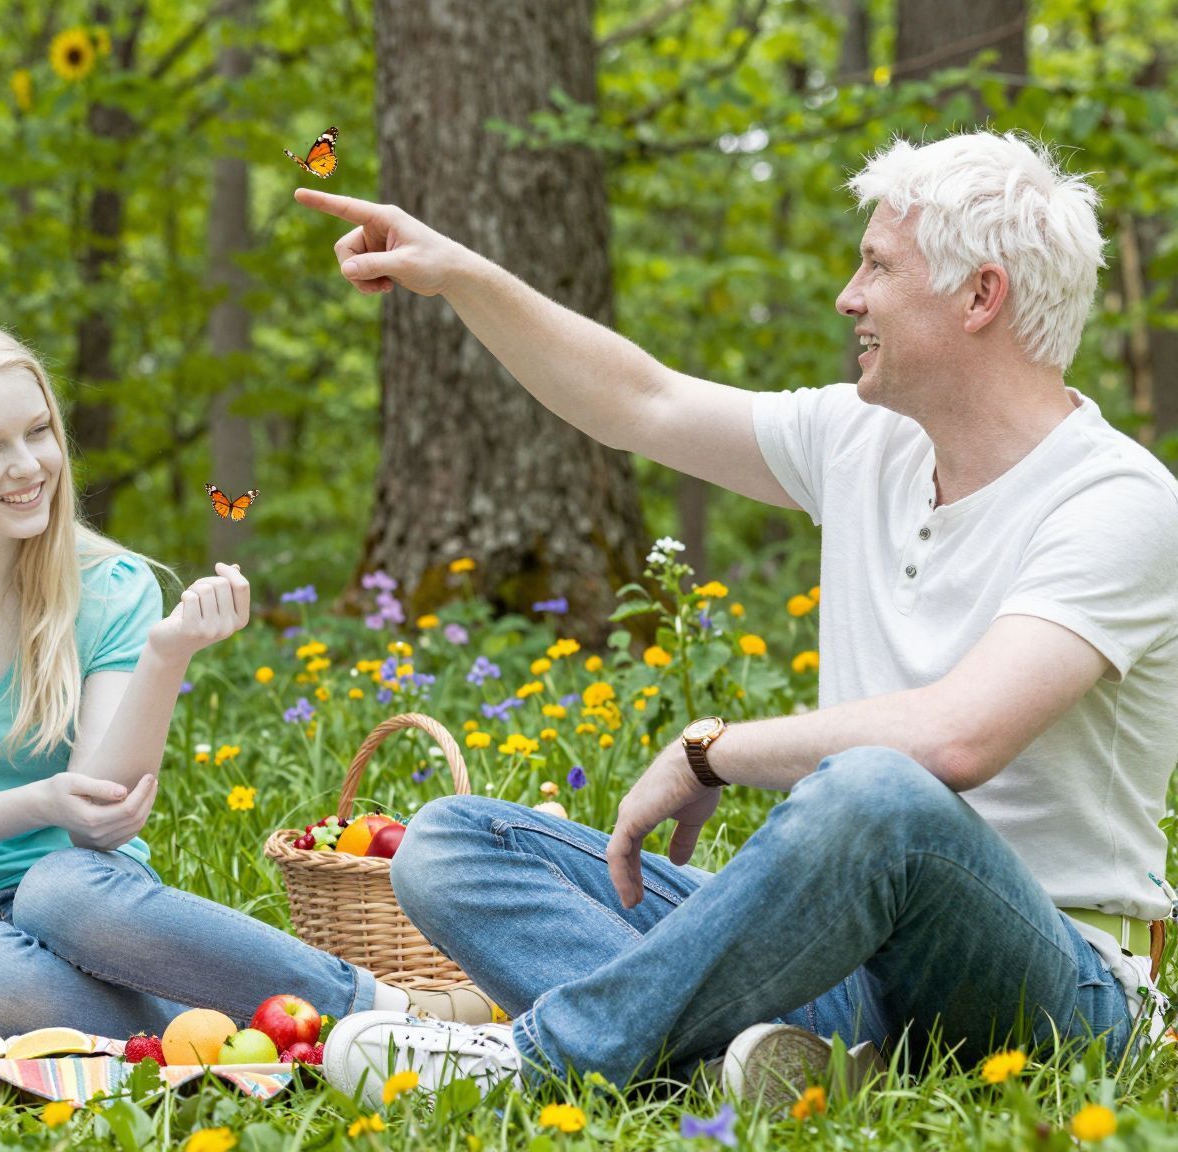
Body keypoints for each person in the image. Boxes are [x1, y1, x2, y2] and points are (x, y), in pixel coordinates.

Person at [299, 131, 1178, 1110]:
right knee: (451, 847)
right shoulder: (863, 438)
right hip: (849, 960)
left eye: (876, 266)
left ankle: (552, 1057)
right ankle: (785, 1061)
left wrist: (707, 750)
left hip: (1050, 987)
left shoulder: (1115, 502)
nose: (848, 296)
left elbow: (956, 737)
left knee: (876, 793)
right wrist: (459, 275)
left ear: (978, 296)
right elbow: (643, 400)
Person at [0, 317, 494, 1056]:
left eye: (38, 431)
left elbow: (99, 824)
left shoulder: (109, 586)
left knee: (57, 887)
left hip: (94, 912)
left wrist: (167, 654)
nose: (29, 465)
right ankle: (262, 1023)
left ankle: (389, 1011)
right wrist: (36, 801)